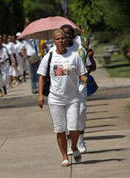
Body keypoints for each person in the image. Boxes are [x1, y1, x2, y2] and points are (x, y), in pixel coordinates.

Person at [37, 30, 88, 167]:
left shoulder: (74, 56)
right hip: (55, 99)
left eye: (62, 38)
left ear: (66, 40)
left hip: (72, 98)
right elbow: (41, 77)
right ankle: (65, 157)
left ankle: (75, 147)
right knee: (60, 130)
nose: (60, 41)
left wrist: (83, 77)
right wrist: (40, 96)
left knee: (74, 127)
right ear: (54, 41)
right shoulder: (49, 57)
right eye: (58, 39)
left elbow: (82, 72)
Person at [60, 24, 96, 154]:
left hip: (80, 87)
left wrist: (87, 57)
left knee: (80, 113)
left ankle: (80, 139)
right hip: (64, 89)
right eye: (65, 34)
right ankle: (71, 143)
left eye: (70, 34)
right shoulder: (55, 50)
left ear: (73, 35)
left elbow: (90, 67)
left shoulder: (80, 49)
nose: (67, 36)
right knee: (69, 117)